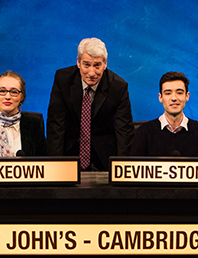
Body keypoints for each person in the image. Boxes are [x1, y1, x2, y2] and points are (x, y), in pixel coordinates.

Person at [46, 37, 134, 170]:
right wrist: (56, 165)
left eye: (97, 65)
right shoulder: (63, 80)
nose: (92, 72)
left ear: (105, 64)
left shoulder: (118, 87)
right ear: (78, 62)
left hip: (104, 155)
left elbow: (124, 132)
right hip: (69, 150)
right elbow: (56, 126)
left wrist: (121, 168)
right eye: (87, 65)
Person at [130, 71, 198, 157]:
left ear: (187, 96)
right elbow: (133, 169)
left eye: (179, 93)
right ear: (160, 98)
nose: (174, 98)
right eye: (168, 93)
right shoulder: (144, 132)